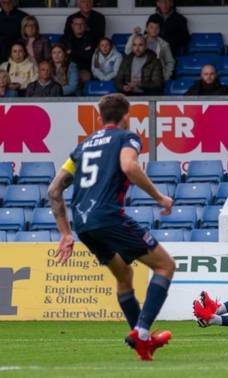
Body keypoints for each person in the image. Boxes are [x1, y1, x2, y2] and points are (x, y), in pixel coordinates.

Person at [47, 93, 175, 361]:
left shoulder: (81, 148)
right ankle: (142, 332)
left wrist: (65, 233)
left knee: (124, 276)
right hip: (108, 217)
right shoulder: (125, 138)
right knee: (165, 265)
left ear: (100, 116)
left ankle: (141, 342)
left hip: (83, 224)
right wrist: (160, 197)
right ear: (126, 116)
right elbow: (129, 166)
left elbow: (54, 189)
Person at [60, 13, 95, 83]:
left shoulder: (92, 38)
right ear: (72, 26)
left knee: (82, 77)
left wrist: (72, 52)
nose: (79, 26)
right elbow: (62, 57)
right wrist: (82, 52)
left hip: (85, 68)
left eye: (81, 24)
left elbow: (90, 57)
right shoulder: (64, 39)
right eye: (76, 24)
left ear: (85, 26)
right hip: (68, 68)